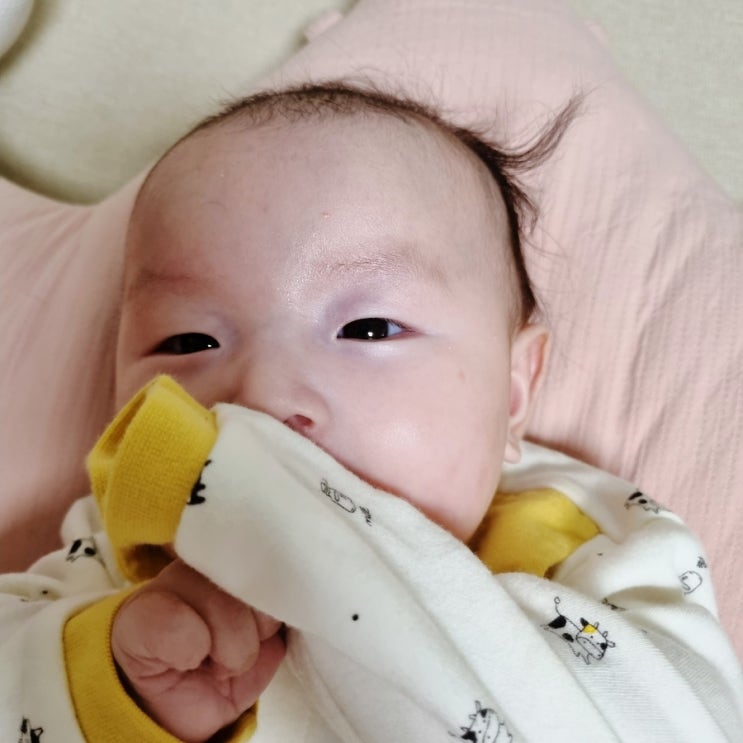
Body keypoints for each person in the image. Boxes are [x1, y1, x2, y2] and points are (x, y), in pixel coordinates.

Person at [2, 84, 741, 743]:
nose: (261, 397)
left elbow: (691, 719)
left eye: (368, 329)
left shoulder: (587, 542)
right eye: (188, 340)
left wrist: (376, 583)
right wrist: (119, 688)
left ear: (514, 390)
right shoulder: (119, 547)